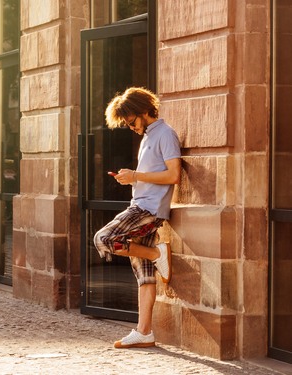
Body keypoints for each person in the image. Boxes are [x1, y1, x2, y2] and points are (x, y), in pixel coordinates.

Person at [93, 87, 181, 349]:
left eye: (131, 121)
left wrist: (136, 176)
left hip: (148, 210)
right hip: (142, 203)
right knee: (144, 276)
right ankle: (144, 332)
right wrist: (129, 178)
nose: (130, 127)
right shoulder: (147, 137)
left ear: (144, 111)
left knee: (103, 239)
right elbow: (150, 175)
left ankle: (156, 253)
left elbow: (173, 175)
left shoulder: (165, 134)